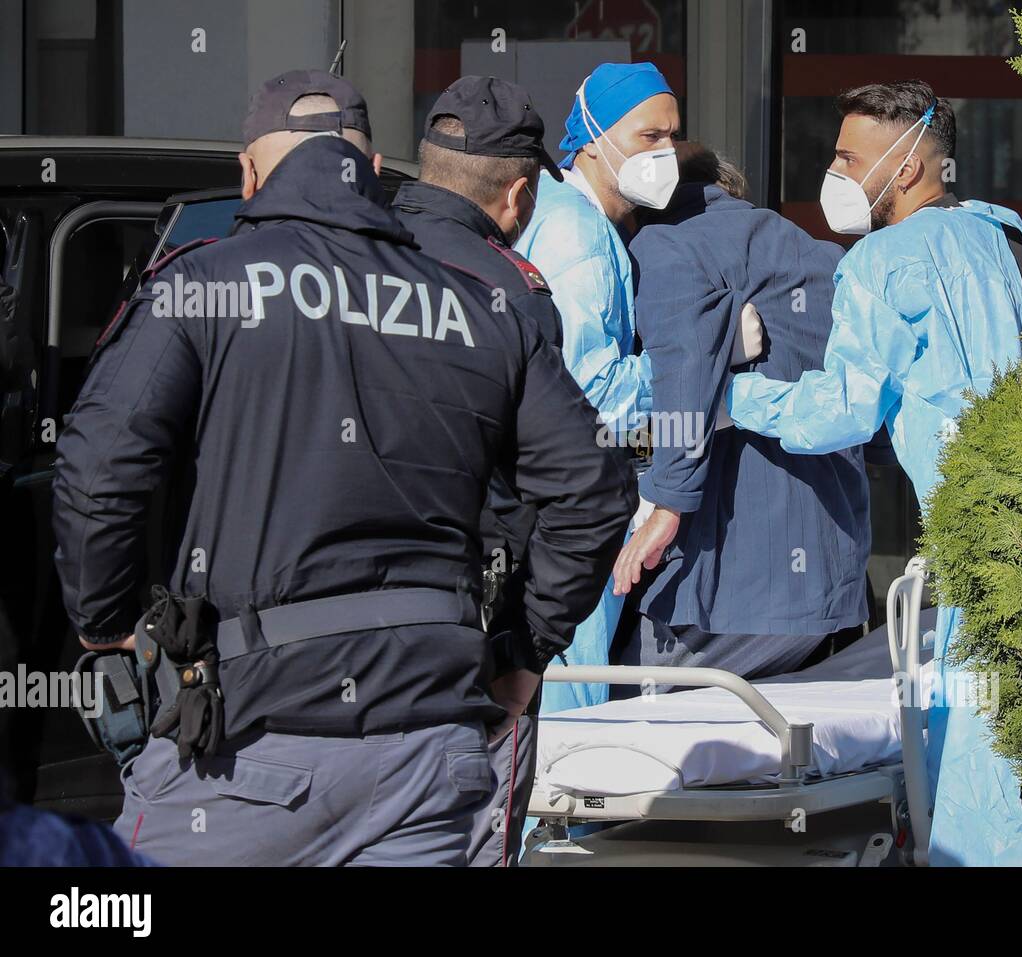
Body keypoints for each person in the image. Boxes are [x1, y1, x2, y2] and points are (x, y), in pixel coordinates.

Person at [50, 70, 635, 866]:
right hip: (430, 759)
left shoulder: (202, 283)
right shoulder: (485, 305)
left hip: (243, 747)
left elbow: (97, 467)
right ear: (374, 164)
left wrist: (107, 623)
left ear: (250, 173)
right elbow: (594, 487)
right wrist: (526, 652)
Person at [726, 80, 1022, 866]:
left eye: (847, 157)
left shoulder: (880, 261)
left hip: (982, 543)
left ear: (906, 168)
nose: (834, 172)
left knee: (979, 786)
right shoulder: (1013, 236)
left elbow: (843, 409)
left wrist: (734, 392)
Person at [610, 143, 872, 691]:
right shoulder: (828, 260)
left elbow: (679, 375)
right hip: (829, 589)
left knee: (613, 723)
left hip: (721, 592)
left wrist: (668, 503)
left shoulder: (664, 246)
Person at [390, 75, 566, 868]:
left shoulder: (339, 259)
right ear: (518, 194)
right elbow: (576, 489)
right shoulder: (514, 294)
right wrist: (527, 652)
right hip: (465, 647)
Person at [510, 62, 679, 714]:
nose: (664, 153)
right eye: (647, 137)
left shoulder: (556, 213)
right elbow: (596, 394)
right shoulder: (580, 233)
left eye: (672, 137)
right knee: (570, 736)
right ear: (592, 137)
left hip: (544, 511)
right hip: (572, 515)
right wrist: (695, 362)